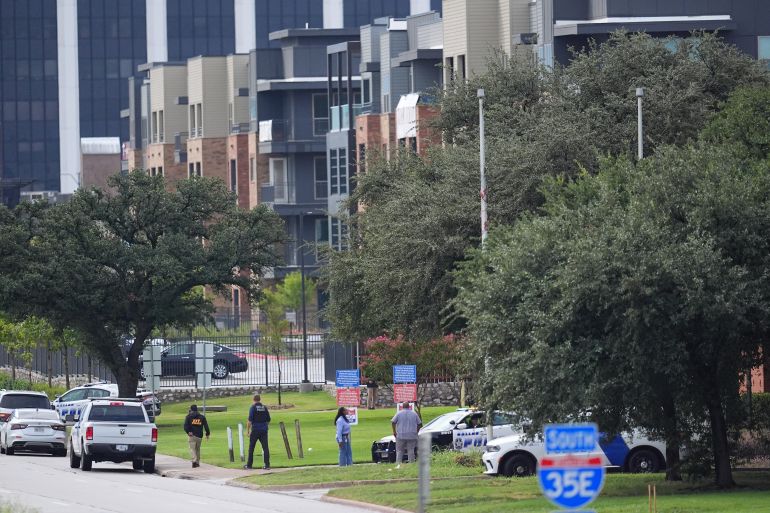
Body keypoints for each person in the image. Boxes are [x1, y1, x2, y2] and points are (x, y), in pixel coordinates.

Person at [244, 394, 271, 470]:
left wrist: (248, 431)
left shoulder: (253, 408)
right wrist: (265, 426)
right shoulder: (264, 408)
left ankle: (249, 465)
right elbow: (268, 419)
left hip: (255, 430)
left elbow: (249, 421)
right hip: (264, 430)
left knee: (251, 448)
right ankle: (267, 465)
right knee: (265, 447)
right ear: (260, 399)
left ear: (253, 400)